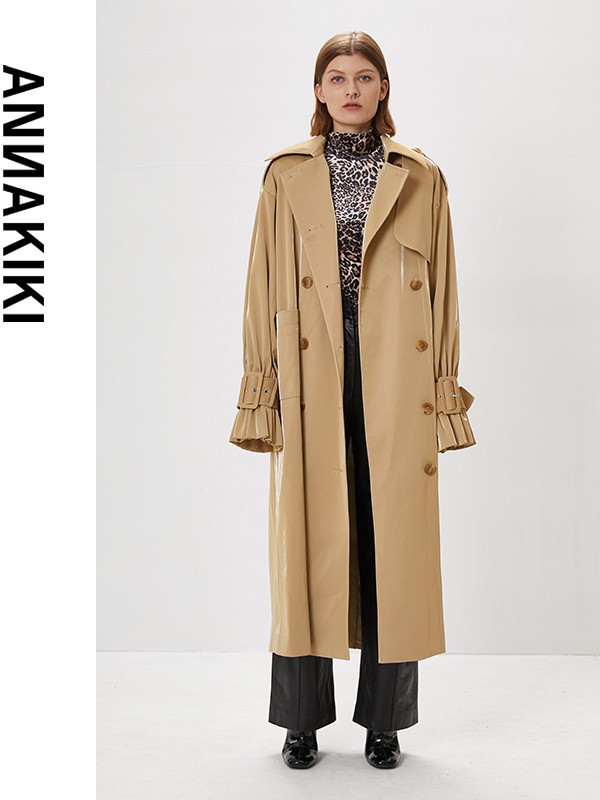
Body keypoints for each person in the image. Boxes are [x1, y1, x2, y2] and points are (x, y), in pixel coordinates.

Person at [229, 31, 476, 770]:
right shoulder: (285, 175)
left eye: (364, 77)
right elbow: (261, 282)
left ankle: (386, 723)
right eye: (336, 78)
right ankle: (299, 721)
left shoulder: (421, 176)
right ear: (318, 91)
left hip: (397, 375)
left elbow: (445, 290)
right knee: (307, 549)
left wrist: (444, 388)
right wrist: (261, 385)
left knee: (389, 547)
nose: (350, 90)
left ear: (382, 88)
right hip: (310, 373)